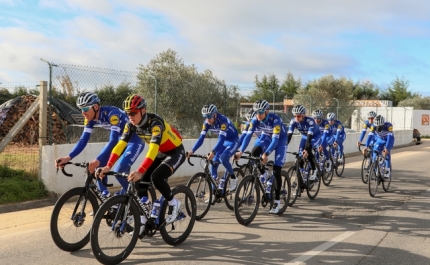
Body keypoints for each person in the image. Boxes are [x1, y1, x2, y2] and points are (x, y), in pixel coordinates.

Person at [98, 94, 185, 236]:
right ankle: (143, 222)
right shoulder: (130, 125)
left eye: (133, 113)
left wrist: (140, 170)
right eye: (127, 113)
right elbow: (121, 144)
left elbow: (152, 148)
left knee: (157, 177)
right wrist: (108, 166)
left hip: (175, 152)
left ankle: (173, 203)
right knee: (139, 183)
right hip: (160, 153)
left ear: (143, 111)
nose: (130, 116)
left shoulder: (155, 123)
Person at [55, 92, 144, 197]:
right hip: (120, 142)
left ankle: (137, 201)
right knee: (98, 169)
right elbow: (83, 140)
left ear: (96, 107)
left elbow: (113, 140)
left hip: (134, 141)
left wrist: (97, 160)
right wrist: (68, 157)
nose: (83, 113)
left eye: (85, 109)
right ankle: (105, 198)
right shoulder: (89, 119)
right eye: (81, 109)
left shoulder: (112, 114)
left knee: (119, 170)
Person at [235, 100, 288, 214]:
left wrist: (266, 154)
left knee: (277, 170)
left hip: (280, 140)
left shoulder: (276, 119)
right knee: (254, 153)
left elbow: (275, 140)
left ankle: (277, 202)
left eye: (260, 112)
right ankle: (264, 174)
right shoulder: (255, 120)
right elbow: (248, 137)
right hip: (267, 137)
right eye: (256, 112)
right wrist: (240, 152)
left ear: (267, 111)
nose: (258, 114)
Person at [186, 104, 240, 195]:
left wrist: (213, 151)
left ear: (215, 114)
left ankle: (233, 177)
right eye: (206, 117)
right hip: (223, 142)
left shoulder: (223, 121)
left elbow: (221, 139)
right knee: (213, 162)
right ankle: (216, 191)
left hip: (233, 141)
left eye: (210, 117)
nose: (208, 119)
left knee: (223, 158)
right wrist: (192, 151)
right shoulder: (206, 123)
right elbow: (201, 138)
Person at [285, 105, 321, 183]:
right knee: (300, 154)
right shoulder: (293, 121)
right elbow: (289, 135)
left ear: (303, 115)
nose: (296, 117)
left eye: (298, 115)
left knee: (308, 150)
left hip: (315, 136)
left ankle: (314, 171)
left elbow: (309, 137)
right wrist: (284, 146)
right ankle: (302, 171)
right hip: (305, 136)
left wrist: (307, 149)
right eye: (294, 115)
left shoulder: (310, 121)